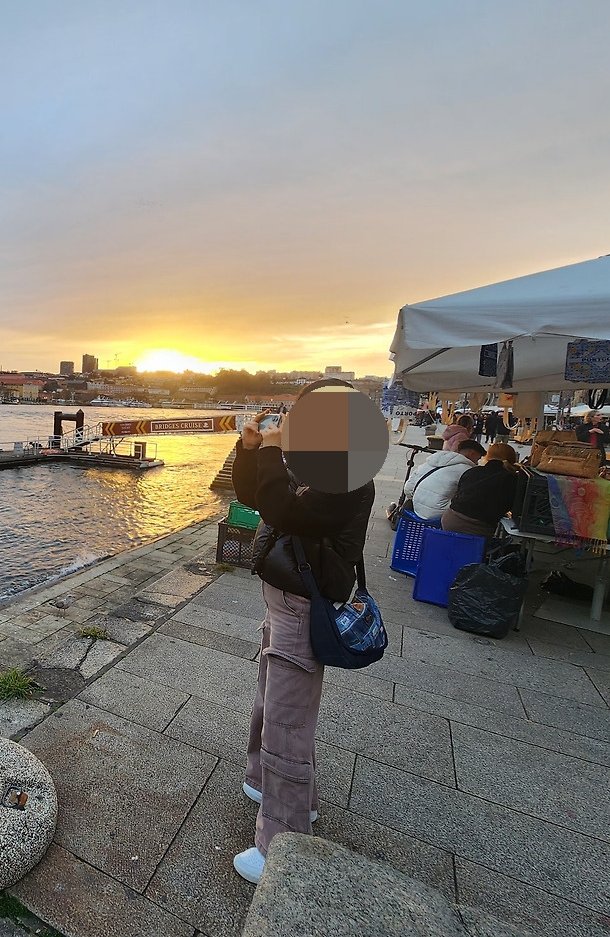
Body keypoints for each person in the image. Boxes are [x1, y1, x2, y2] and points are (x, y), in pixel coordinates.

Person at [229, 379, 375, 884]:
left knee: (287, 721)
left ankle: (281, 844)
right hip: (286, 597)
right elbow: (255, 496)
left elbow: (283, 510)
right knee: (271, 698)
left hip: (301, 604)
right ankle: (265, 782)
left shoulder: (347, 473)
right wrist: (251, 451)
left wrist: (272, 451)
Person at [441, 442, 519, 536]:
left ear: (488, 457)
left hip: (449, 518)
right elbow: (513, 505)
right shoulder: (512, 479)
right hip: (476, 527)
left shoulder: (473, 471)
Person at [404, 439, 486, 520]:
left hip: (416, 509)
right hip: (439, 515)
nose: (477, 463)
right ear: (471, 454)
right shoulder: (467, 470)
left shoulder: (431, 461)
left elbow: (408, 488)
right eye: (478, 458)